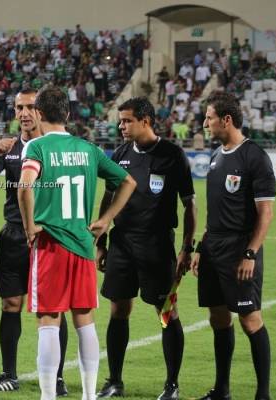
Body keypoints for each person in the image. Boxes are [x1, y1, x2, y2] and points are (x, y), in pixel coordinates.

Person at [18, 85, 136, 400]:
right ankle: (88, 395)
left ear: (38, 113)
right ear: (68, 114)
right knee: (84, 321)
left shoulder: (37, 147)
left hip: (51, 245)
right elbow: (128, 182)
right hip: (83, 245)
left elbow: (24, 186)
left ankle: (47, 396)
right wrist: (106, 218)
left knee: (48, 320)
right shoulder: (88, 149)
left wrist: (29, 227)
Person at [95, 97, 197, 400]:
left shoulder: (172, 155)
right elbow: (109, 197)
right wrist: (102, 242)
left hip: (157, 245)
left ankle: (171, 385)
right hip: (122, 243)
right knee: (118, 309)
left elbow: (189, 205)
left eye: (127, 120)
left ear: (146, 121)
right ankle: (114, 381)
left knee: (166, 312)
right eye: (120, 121)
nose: (121, 126)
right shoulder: (121, 154)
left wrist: (186, 247)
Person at [0, 89, 70, 396]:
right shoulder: (11, 147)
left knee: (53, 309)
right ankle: (9, 374)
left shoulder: (54, 147)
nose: (24, 113)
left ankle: (57, 377)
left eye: (30, 107)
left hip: (48, 237)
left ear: (41, 111)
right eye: (19, 108)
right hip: (14, 236)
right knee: (10, 304)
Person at [191, 92, 276, 400]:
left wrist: (251, 253)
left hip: (239, 251)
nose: (205, 123)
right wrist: (200, 248)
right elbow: (215, 211)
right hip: (212, 249)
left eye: (209, 118)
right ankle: (222, 391)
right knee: (218, 318)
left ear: (226, 120)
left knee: (250, 319)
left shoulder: (254, 156)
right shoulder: (216, 155)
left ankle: (262, 395)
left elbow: (266, 213)